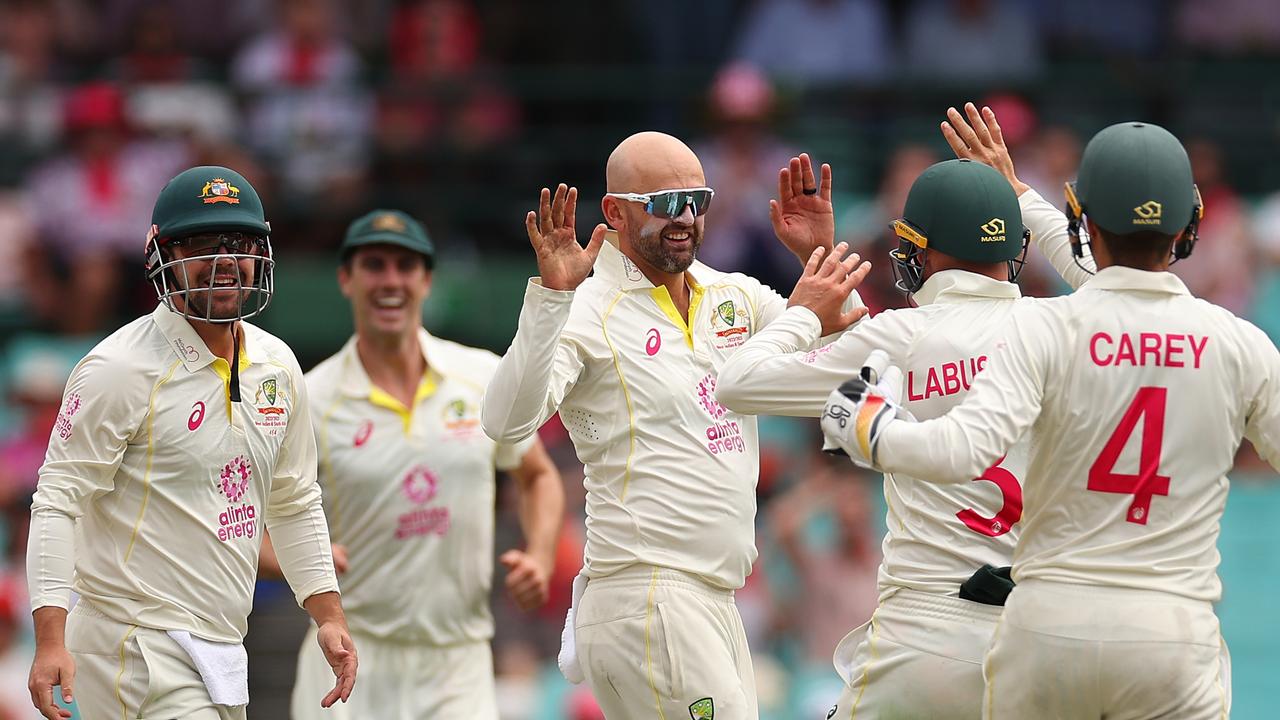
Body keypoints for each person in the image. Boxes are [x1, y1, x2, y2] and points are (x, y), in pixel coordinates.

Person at [821, 120, 1278, 719]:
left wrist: (869, 430)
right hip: (1171, 631)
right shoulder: (1240, 343)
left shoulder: (1041, 328)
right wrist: (1024, 196)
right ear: (1190, 227)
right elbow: (1133, 295)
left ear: (1082, 221)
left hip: (1046, 630)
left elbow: (960, 450)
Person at [481, 133, 868, 719]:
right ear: (614, 212)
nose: (685, 217)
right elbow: (505, 422)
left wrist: (816, 258)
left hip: (711, 598)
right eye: (664, 202)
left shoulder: (730, 293)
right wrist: (549, 299)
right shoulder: (586, 308)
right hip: (648, 592)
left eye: (697, 199)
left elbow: (851, 362)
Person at [717, 141, 1059, 716]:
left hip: (926, 632)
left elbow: (739, 383)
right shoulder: (1062, 328)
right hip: (1039, 640)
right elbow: (1115, 280)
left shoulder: (899, 336)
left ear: (922, 251)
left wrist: (807, 303)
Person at [25, 166, 356, 720]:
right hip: (132, 643)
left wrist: (327, 616)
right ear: (162, 258)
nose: (225, 260)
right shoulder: (118, 368)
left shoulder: (278, 365)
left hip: (222, 642)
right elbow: (58, 500)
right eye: (202, 243)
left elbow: (295, 501)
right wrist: (51, 637)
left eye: (241, 243)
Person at [279, 209, 564, 718]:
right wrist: (297, 561)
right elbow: (248, 516)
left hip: (459, 663)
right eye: (375, 265)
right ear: (346, 278)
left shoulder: (479, 376)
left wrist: (540, 554)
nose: (391, 281)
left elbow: (539, 475)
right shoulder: (310, 396)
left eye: (406, 266)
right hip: (348, 657)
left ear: (427, 280)